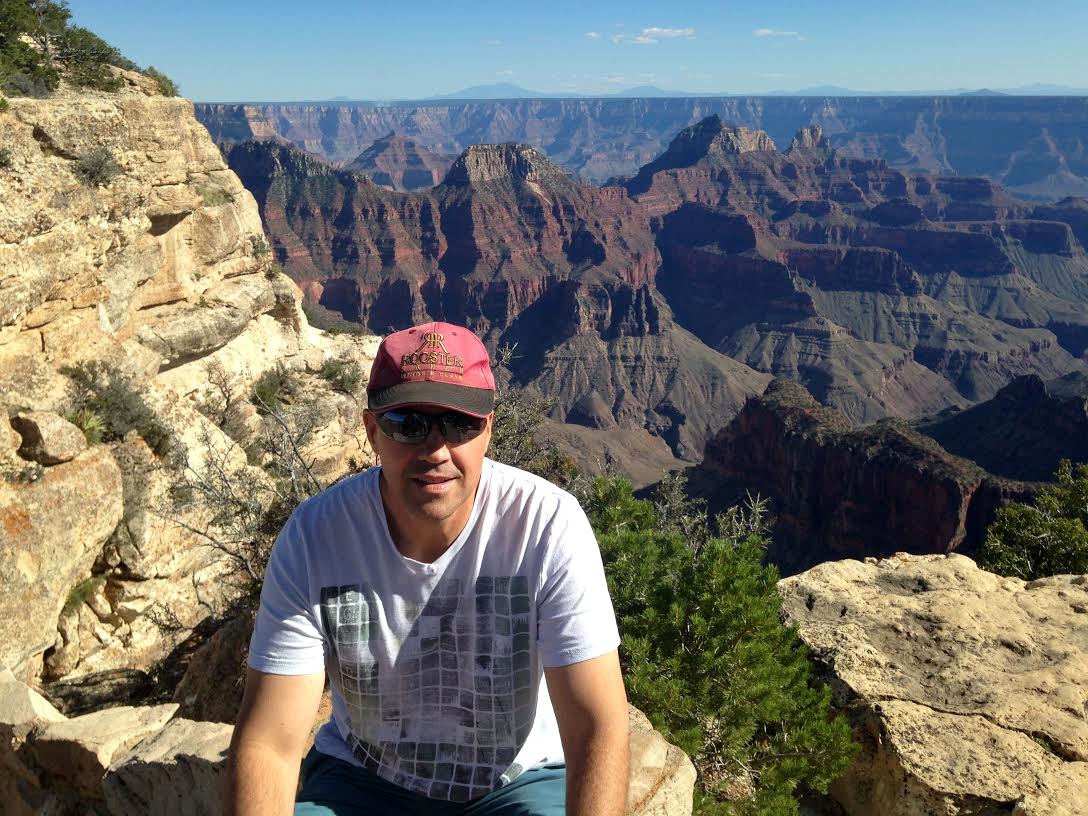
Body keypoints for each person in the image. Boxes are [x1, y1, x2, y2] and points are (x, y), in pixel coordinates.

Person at [225, 321, 630, 816]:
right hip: (362, 782)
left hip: (516, 783)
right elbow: (269, 743)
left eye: (459, 424)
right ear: (372, 432)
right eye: (408, 424)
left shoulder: (545, 525)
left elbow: (596, 728)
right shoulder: (315, 537)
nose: (436, 450)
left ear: (488, 430)